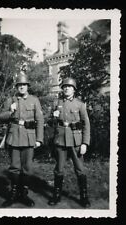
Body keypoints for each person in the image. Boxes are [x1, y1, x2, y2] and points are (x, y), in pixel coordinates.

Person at [0, 73, 44, 207]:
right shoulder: (10, 100)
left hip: (29, 137)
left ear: (27, 86)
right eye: (19, 85)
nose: (22, 87)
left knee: (27, 168)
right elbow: (0, 116)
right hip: (14, 137)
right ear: (16, 87)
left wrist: (39, 139)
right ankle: (13, 194)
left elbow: (40, 120)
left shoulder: (34, 100)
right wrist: (10, 111)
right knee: (14, 168)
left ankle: (23, 195)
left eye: (24, 85)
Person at [48, 77, 91, 208]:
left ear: (74, 89)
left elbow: (86, 125)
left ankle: (83, 196)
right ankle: (56, 195)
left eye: (69, 87)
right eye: (65, 86)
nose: (67, 88)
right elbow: (50, 123)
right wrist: (53, 117)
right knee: (59, 169)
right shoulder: (57, 103)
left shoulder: (80, 104)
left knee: (80, 169)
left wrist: (85, 143)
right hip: (60, 140)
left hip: (76, 141)